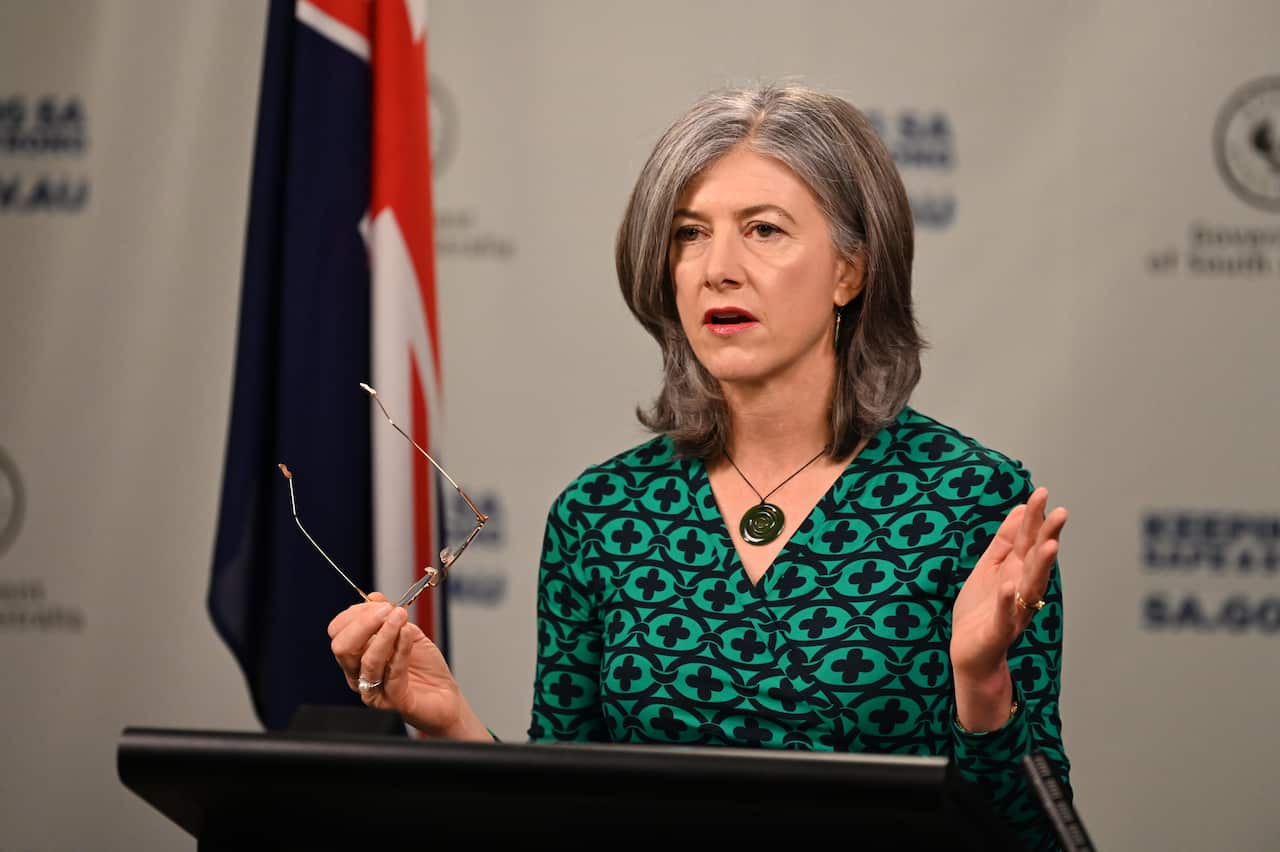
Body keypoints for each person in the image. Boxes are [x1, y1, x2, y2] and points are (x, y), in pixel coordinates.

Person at [327, 83, 1071, 848]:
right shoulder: (603, 515)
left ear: (851, 271)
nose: (718, 268)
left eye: (764, 230)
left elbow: (1033, 841)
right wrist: (450, 722)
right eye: (689, 234)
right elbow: (560, 819)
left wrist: (983, 687)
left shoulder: (973, 503)